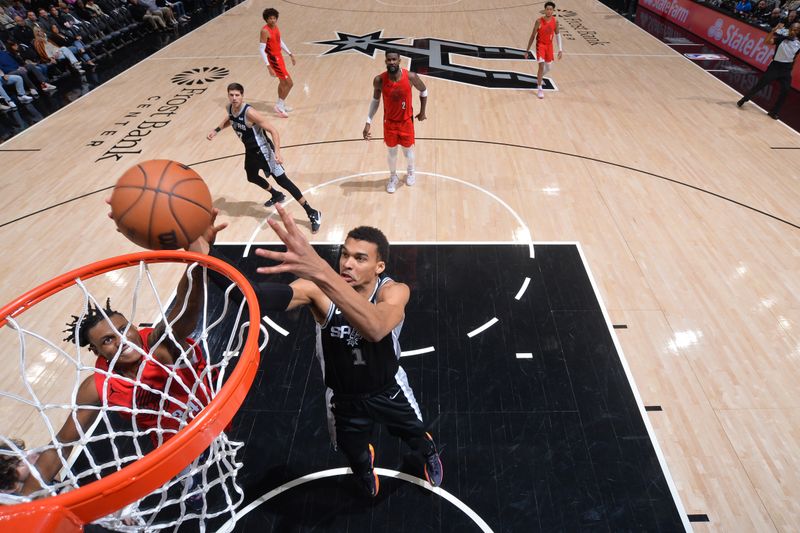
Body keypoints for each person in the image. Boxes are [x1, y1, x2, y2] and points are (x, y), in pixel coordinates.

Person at [217, 204, 443, 497]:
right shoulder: (317, 290)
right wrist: (204, 253)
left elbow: (374, 328)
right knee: (353, 451)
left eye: (360, 258)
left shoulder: (393, 291)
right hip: (343, 397)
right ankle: (364, 469)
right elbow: (253, 299)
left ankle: (428, 454)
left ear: (380, 267)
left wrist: (323, 271)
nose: (347, 263)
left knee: (414, 432)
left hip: (388, 389)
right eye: (345, 255)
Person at [19, 214, 226, 494]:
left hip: (209, 409)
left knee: (223, 450)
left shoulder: (159, 346)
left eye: (122, 329)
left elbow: (185, 308)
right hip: (170, 439)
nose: (121, 340)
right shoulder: (96, 386)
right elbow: (60, 446)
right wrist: (23, 503)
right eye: (107, 340)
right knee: (188, 476)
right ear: (96, 352)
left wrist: (197, 261)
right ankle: (191, 484)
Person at [207, 82, 321, 233]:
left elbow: (274, 131)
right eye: (231, 95)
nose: (234, 98)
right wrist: (217, 130)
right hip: (250, 151)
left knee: (284, 181)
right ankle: (276, 194)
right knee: (252, 176)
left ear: (242, 96)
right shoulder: (229, 108)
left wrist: (278, 153)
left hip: (265, 152)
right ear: (228, 95)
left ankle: (312, 212)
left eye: (237, 95)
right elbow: (230, 119)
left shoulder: (250, 113)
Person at [362, 50, 428, 194]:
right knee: (392, 153)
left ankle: (411, 171)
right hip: (390, 123)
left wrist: (423, 111)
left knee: (408, 152)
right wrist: (368, 121)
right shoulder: (379, 80)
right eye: (389, 60)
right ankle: (393, 177)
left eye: (394, 59)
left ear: (399, 61)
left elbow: (424, 91)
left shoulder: (411, 77)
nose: (391, 62)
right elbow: (375, 101)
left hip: (406, 122)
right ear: (385, 61)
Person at [737, 22, 800, 119]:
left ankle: (774, 112)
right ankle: (744, 99)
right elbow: (766, 42)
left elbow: (795, 57)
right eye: (792, 29)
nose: (794, 31)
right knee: (760, 85)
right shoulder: (781, 39)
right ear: (789, 29)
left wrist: (790, 69)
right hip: (775, 67)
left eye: (796, 30)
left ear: (798, 31)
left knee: (785, 90)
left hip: (786, 70)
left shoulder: (798, 44)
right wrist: (773, 30)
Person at [259, 8, 295, 118]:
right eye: (270, 18)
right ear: (266, 19)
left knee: (283, 83)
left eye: (274, 18)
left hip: (279, 57)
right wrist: (268, 66)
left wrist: (290, 53)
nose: (273, 20)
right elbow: (261, 49)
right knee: (289, 83)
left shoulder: (275, 27)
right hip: (274, 59)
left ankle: (281, 104)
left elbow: (279, 41)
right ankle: (279, 105)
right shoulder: (264, 31)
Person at [524, 1, 563, 99]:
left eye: (551, 9)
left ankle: (539, 77)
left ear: (553, 10)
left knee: (548, 67)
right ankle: (540, 88)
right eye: (547, 9)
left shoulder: (556, 21)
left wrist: (560, 49)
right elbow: (533, 35)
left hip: (549, 46)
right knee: (541, 66)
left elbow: (558, 35)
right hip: (540, 45)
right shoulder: (539, 21)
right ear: (544, 10)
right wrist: (527, 50)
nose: (549, 11)